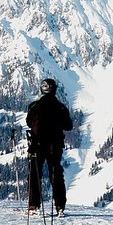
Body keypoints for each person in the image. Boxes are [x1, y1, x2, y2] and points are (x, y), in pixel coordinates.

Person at [26, 78, 74, 216]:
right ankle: (60, 205)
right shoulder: (61, 107)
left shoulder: (34, 106)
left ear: (42, 89)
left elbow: (29, 122)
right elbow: (69, 126)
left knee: (35, 173)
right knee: (56, 173)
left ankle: (34, 205)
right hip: (55, 144)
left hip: (37, 144)